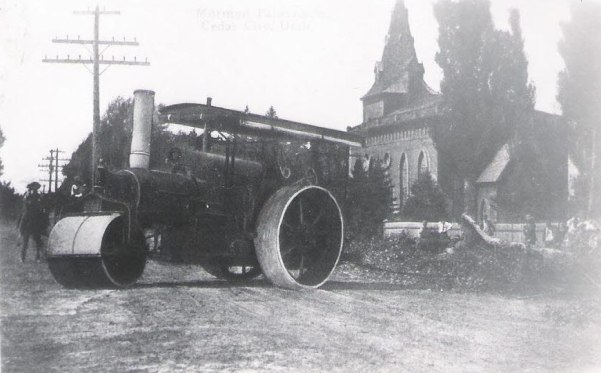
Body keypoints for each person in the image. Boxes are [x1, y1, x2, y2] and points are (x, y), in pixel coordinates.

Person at [18, 182, 46, 262]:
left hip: (36, 216)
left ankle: (38, 257)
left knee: (37, 239)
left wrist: (40, 203)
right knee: (25, 240)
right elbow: (26, 202)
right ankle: (22, 257)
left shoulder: (39, 195)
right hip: (29, 214)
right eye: (34, 187)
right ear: (31, 187)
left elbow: (41, 203)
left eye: (36, 187)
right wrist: (31, 203)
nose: (35, 188)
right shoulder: (27, 194)